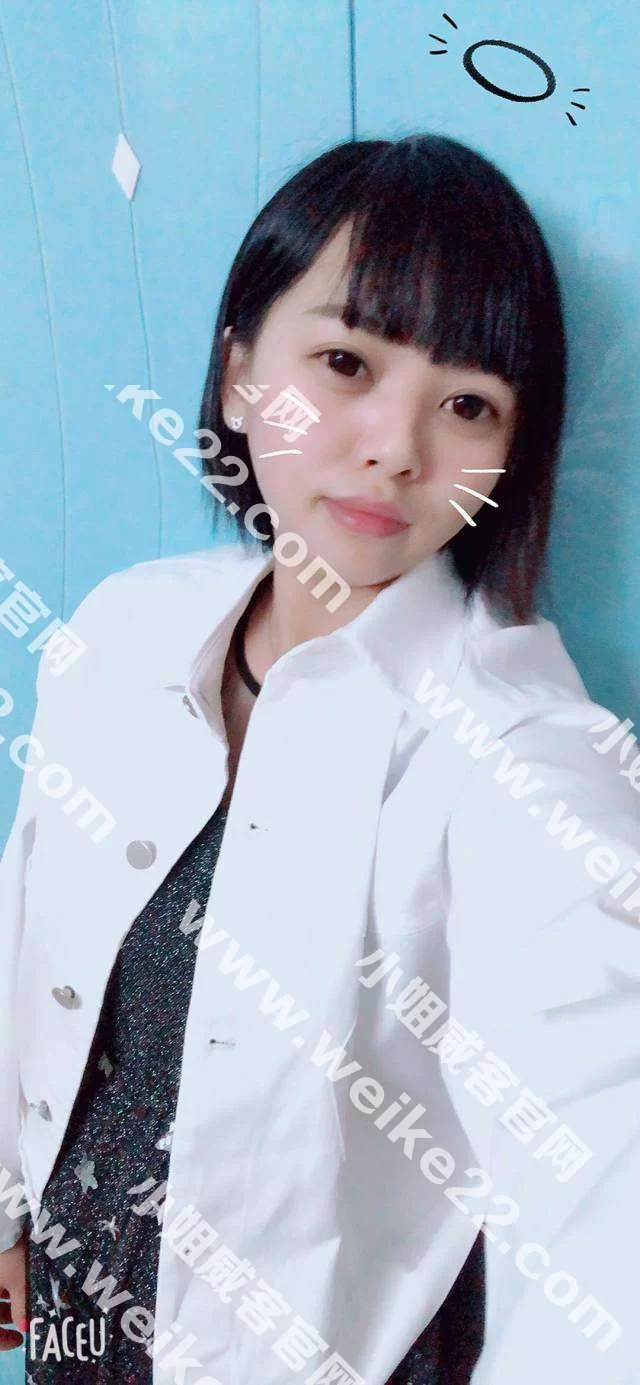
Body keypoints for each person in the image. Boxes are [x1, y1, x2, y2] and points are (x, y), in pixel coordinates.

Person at [0, 133, 638, 1384]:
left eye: (467, 403)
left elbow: (608, 1181)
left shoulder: (522, 755)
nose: (397, 447)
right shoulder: (129, 628)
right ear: (240, 370)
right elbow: (28, 931)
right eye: (346, 362)